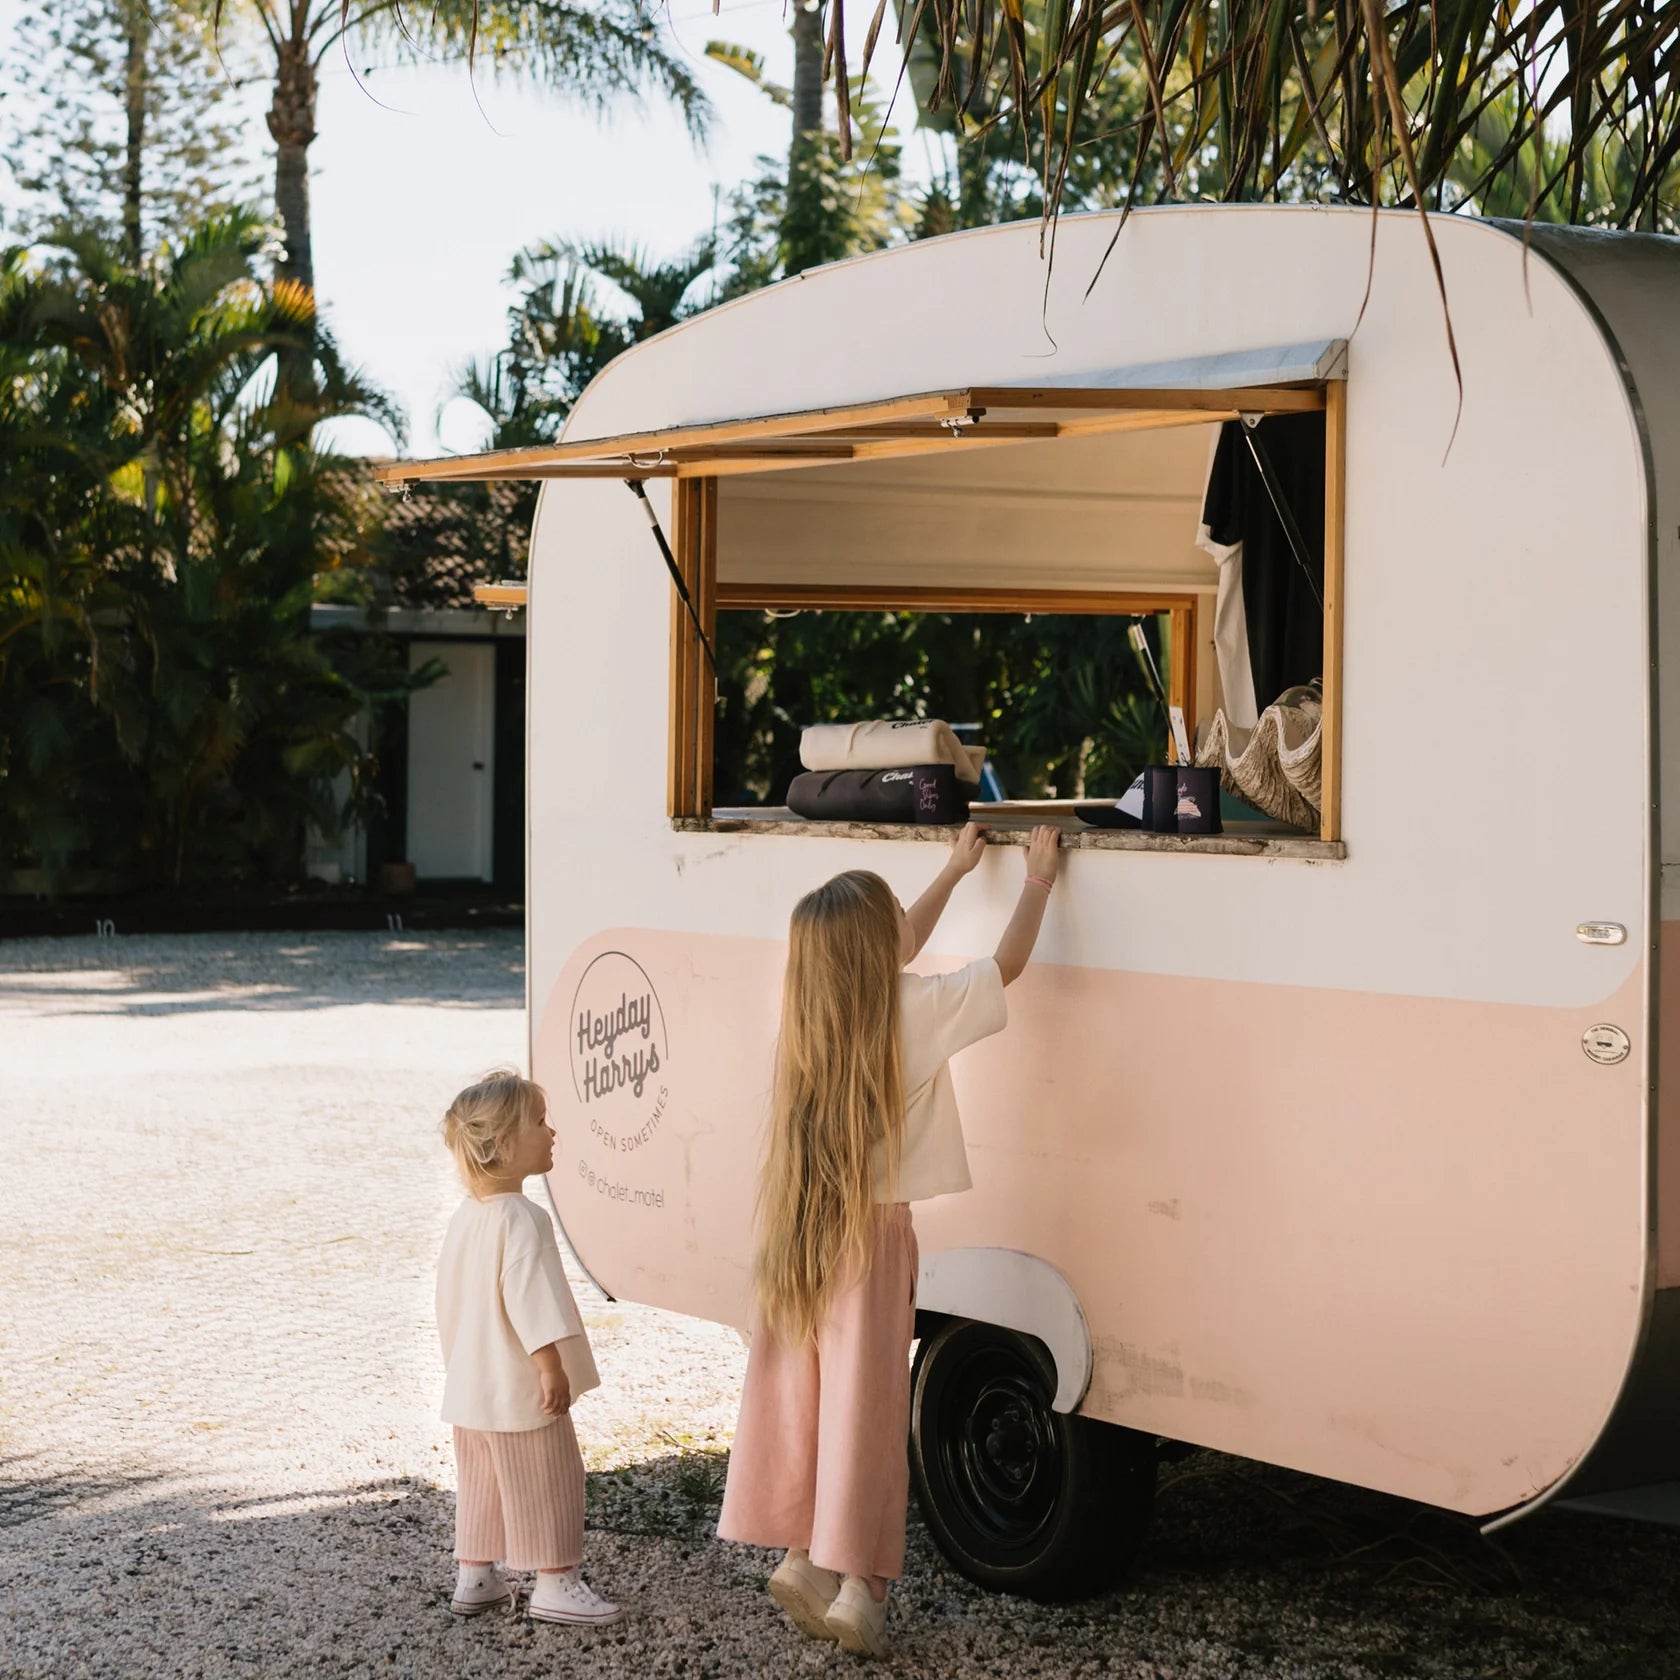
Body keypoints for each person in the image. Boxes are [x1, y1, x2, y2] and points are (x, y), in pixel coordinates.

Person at [717, 822, 1062, 1657]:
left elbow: (895, 936)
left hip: (805, 1224)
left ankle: (803, 1554)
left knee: (812, 1396)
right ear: (879, 953)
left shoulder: (812, 1016)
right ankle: (862, 1592)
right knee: (869, 1407)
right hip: (872, 1240)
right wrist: (1039, 881)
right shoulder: (911, 1009)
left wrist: (951, 869)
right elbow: (1004, 969)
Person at [435, 1069, 623, 1626]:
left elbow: (452, 1300)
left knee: (484, 1484)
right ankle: (555, 1583)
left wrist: (461, 1367)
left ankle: (476, 1577)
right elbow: (530, 1299)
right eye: (539, 1123)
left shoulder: (465, 1219)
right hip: (520, 1388)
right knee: (548, 1479)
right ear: (502, 1146)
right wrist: (550, 1368)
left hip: (473, 1387)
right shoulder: (524, 1218)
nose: (552, 1132)